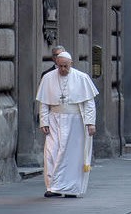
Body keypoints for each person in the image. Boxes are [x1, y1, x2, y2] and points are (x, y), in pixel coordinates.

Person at [35, 51, 99, 198]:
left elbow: (89, 103)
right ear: (56, 64)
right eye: (60, 66)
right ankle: (52, 187)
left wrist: (90, 123)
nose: (63, 69)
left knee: (72, 155)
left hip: (75, 121)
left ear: (71, 64)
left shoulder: (82, 78)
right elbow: (44, 103)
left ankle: (70, 188)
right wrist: (44, 121)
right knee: (51, 153)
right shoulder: (48, 78)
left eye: (65, 66)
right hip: (54, 120)